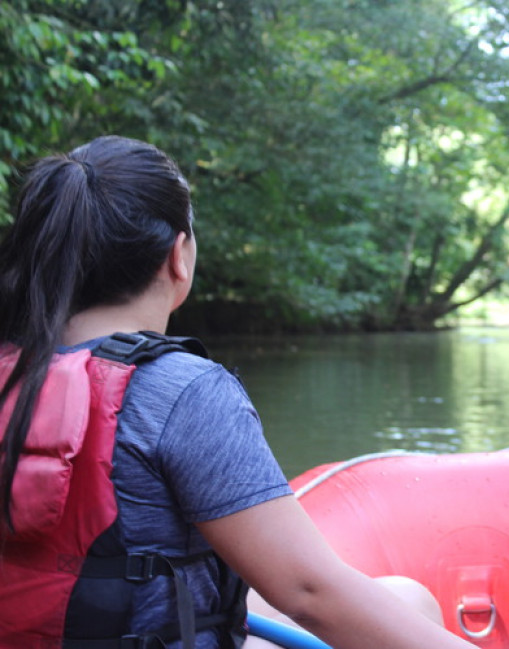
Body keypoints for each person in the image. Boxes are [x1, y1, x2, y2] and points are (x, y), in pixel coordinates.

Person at [0, 135, 479, 649]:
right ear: (178, 257)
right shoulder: (182, 390)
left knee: (404, 596)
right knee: (415, 603)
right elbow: (309, 591)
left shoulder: (13, 372)